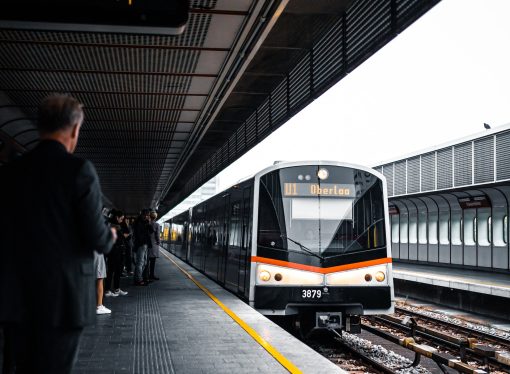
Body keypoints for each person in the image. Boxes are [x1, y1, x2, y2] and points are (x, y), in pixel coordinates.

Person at [0, 94, 116, 373]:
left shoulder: (10, 173)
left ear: (39, 127)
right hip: (62, 301)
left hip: (16, 297)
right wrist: (110, 235)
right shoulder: (78, 171)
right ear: (75, 129)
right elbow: (95, 238)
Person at [104, 210, 129, 297]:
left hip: (119, 250)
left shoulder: (117, 225)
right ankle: (107, 290)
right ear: (116, 217)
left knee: (117, 270)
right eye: (121, 219)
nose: (122, 220)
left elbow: (127, 234)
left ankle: (116, 289)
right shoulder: (112, 225)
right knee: (111, 271)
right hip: (113, 251)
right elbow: (124, 235)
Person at [132, 209, 154, 286]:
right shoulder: (138, 222)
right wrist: (143, 241)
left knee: (144, 263)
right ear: (142, 215)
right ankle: (138, 280)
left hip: (145, 244)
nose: (147, 216)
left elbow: (151, 231)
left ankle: (137, 278)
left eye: (148, 215)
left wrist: (149, 223)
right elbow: (139, 234)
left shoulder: (146, 222)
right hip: (141, 245)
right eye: (146, 215)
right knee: (140, 263)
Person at [147, 211, 161, 281]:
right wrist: (159, 242)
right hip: (153, 245)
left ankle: (146, 275)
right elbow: (157, 235)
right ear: (155, 217)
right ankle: (151, 275)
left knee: (146, 262)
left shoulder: (147, 224)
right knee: (152, 262)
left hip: (147, 245)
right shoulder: (156, 225)